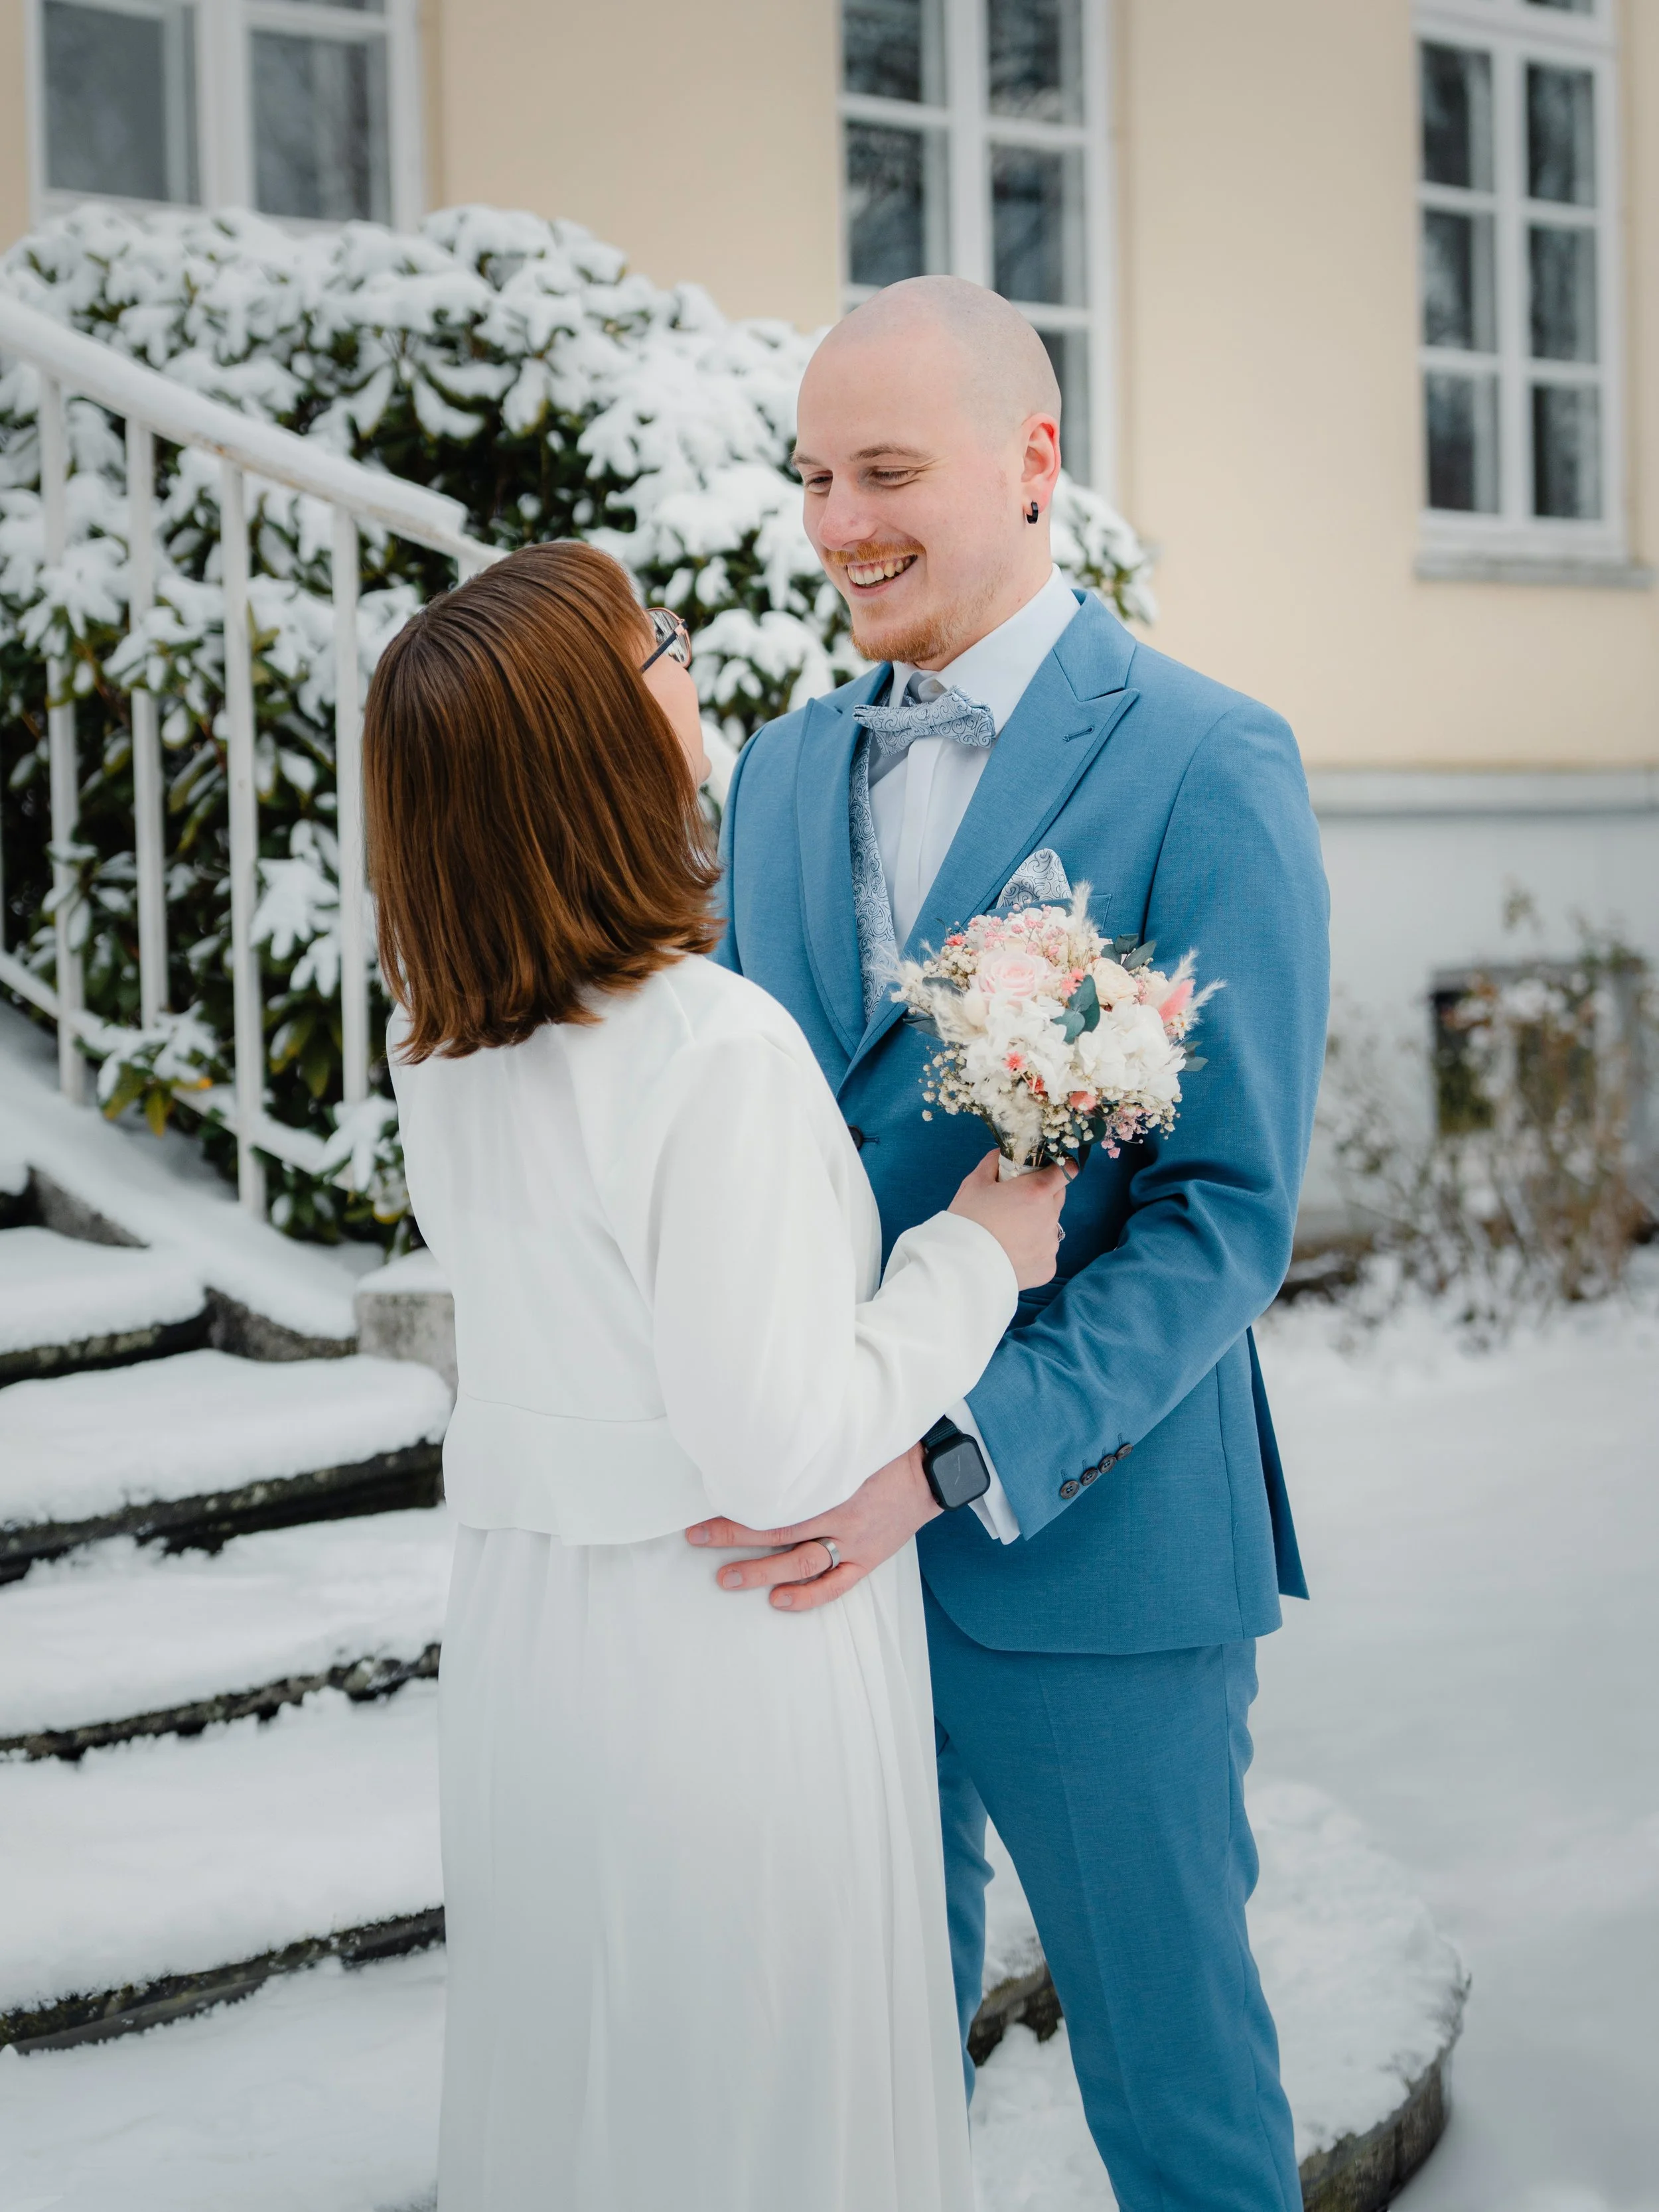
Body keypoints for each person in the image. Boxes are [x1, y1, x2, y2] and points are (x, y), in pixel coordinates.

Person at [695, 275, 1331, 2212]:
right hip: (821, 1572)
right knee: (864, 2089)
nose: (835, 524)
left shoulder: (1207, 757)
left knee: (1178, 2098)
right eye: (812, 476)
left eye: (883, 470)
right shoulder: (785, 771)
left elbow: (1224, 1213)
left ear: (1032, 462)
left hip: (1095, 1557)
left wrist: (952, 1458)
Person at [363, 538, 1068, 2212]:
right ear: (597, 745)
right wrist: (974, 1256)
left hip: (541, 1635)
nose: (687, 668)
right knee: (756, 2091)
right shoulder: (709, 1045)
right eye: (657, 646)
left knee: (592, 2072)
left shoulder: (446, 1046)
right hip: (723, 1644)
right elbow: (779, 1438)